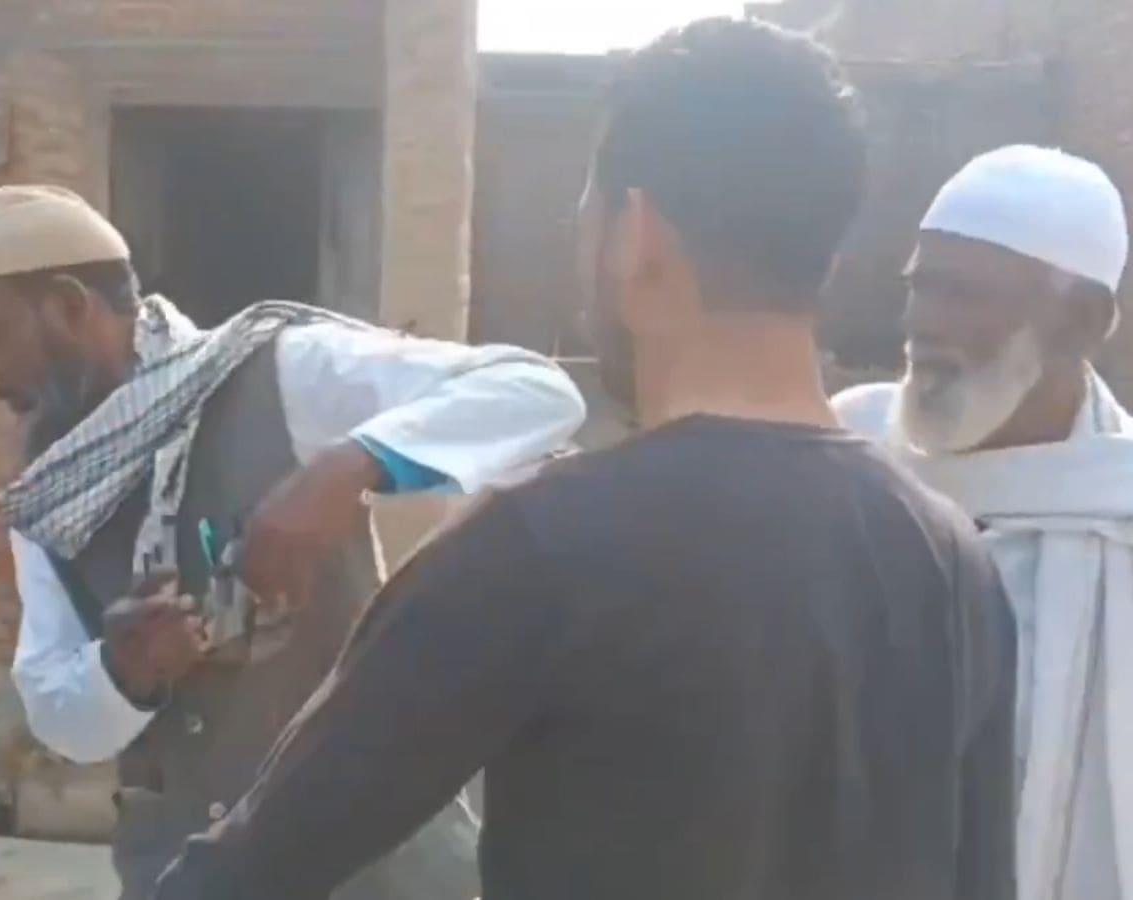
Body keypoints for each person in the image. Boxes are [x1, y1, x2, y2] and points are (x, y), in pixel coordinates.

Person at [153, 19, 1017, 900]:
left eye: (584, 214)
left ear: (635, 234)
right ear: (825, 257)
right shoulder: (956, 561)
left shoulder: (538, 547)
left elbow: (246, 873)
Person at [0, 184, 586, 899]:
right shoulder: (50, 494)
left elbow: (534, 392)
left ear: (68, 306)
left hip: (372, 867)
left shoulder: (276, 372)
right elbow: (57, 716)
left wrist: (344, 470)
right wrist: (124, 671)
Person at [835, 145, 1132, 900]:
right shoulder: (842, 456)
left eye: (964, 295)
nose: (924, 323)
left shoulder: (1118, 509)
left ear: (1082, 321)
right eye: (920, 288)